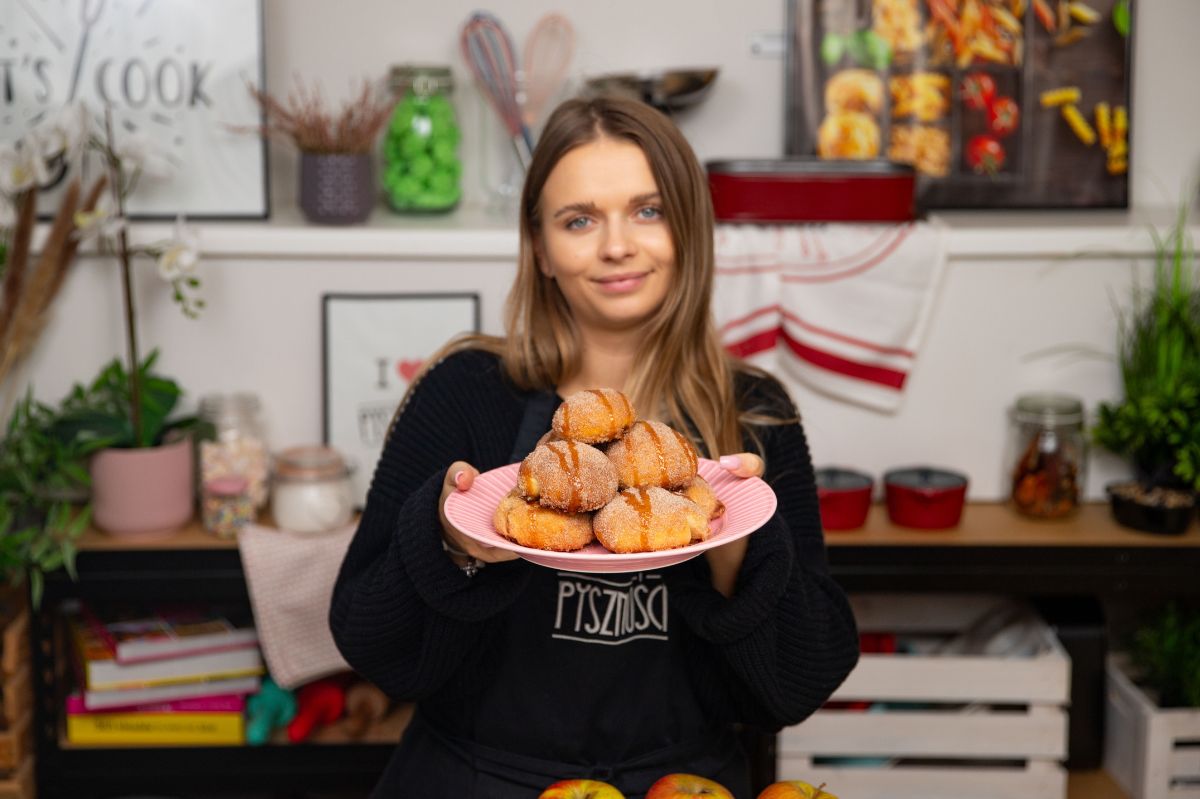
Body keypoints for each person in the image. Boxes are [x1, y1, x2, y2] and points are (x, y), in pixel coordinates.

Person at [329, 96, 859, 799]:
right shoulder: (464, 393)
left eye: (648, 210)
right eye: (579, 220)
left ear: (690, 229)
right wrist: (451, 541)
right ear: (541, 248)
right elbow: (372, 644)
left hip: (679, 786)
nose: (617, 246)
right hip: (476, 781)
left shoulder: (753, 415)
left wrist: (738, 547)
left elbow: (798, 685)